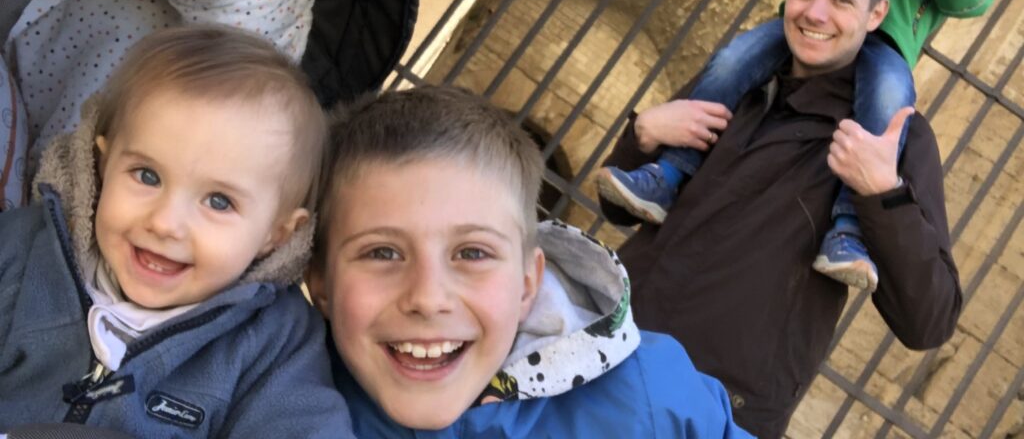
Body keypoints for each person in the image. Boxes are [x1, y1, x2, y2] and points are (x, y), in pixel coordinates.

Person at [598, 0, 1017, 291]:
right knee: (734, 59)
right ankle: (671, 172)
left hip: (887, 43)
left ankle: (848, 230)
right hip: (812, 26)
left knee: (888, 102)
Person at [599, 0, 962, 439]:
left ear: (875, 15)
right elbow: (618, 209)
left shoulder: (894, 137)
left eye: (841, 0)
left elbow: (929, 321)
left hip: (717, 406)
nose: (816, 13)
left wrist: (883, 194)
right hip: (607, 355)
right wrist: (644, 133)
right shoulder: (735, 84)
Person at [306, 85, 754, 438]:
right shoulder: (276, 395)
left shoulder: (653, 401)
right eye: (382, 253)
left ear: (527, 284)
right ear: (320, 280)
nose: (427, 298)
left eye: (472, 253)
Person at [0, 25, 354, 438]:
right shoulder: (23, 253)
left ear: (275, 234)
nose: (165, 223)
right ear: (104, 164)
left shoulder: (273, 341)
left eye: (218, 202)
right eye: (146, 175)